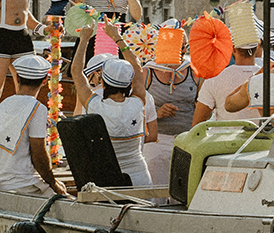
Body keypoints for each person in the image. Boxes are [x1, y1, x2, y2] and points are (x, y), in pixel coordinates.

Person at [73, 54, 153, 186]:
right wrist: (117, 37)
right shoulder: (138, 102)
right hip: (140, 177)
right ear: (129, 84)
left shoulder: (94, 105)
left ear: (103, 83)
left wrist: (84, 39)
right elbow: (138, 68)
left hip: (107, 178)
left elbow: (76, 70)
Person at [143, 30, 198, 188]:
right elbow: (135, 109)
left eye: (184, 46)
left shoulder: (193, 71)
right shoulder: (148, 72)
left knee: (182, 189)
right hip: (158, 139)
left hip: (186, 138)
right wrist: (157, 113)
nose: (183, 50)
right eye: (179, 46)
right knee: (157, 188)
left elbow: (202, 105)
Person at [0, 54, 59, 195]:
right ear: (45, 81)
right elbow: (38, 154)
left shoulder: (4, 103)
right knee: (65, 199)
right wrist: (53, 183)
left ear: (18, 78)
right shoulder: (37, 108)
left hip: (2, 182)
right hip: (23, 183)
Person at [193, 10, 263, 123]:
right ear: (257, 46)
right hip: (260, 139)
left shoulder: (214, 79)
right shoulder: (268, 77)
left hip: (223, 139)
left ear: (232, 48)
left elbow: (197, 124)